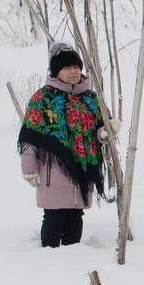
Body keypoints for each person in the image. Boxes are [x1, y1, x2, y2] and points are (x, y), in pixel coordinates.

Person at [18, 42, 105, 248]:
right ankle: (48, 262)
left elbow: (100, 131)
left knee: (76, 215)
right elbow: (30, 137)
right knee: (54, 216)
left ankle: (72, 259)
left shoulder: (90, 99)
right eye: (67, 67)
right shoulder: (43, 99)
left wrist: (103, 133)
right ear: (57, 71)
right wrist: (29, 169)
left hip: (82, 171)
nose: (74, 71)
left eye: (76, 66)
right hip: (53, 171)